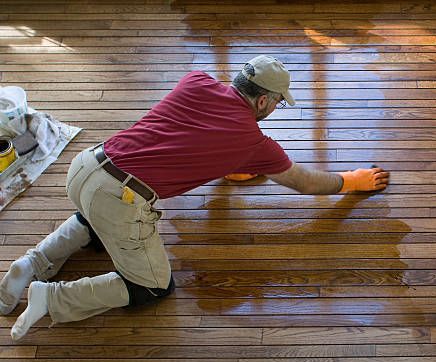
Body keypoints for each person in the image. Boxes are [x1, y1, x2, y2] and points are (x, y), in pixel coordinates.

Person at [0, 55, 390, 341]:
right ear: (263, 102)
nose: (275, 109)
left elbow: (190, 134)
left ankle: (31, 263)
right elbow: (305, 183)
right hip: (119, 197)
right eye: (277, 102)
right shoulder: (254, 141)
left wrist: (230, 164)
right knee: (151, 287)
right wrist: (351, 181)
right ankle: (50, 297)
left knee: (94, 220)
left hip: (86, 167)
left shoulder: (196, 81)